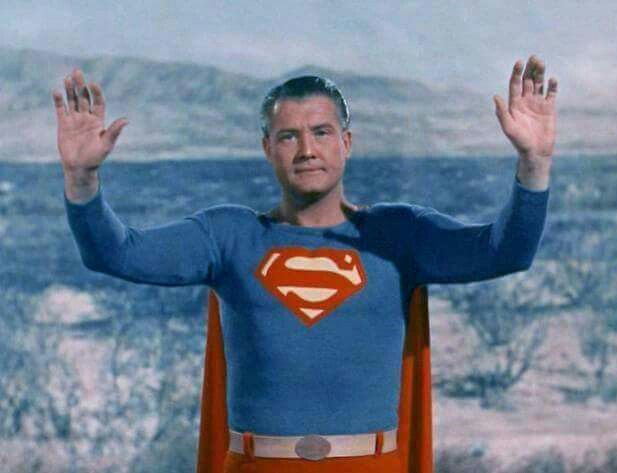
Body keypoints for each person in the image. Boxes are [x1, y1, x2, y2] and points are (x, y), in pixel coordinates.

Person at [54, 54, 557, 472]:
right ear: (267, 148)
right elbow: (116, 252)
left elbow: (505, 251)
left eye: (321, 131)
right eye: (289, 136)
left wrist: (533, 165)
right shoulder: (228, 236)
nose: (307, 149)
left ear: (347, 142)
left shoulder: (397, 234)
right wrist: (81, 180)